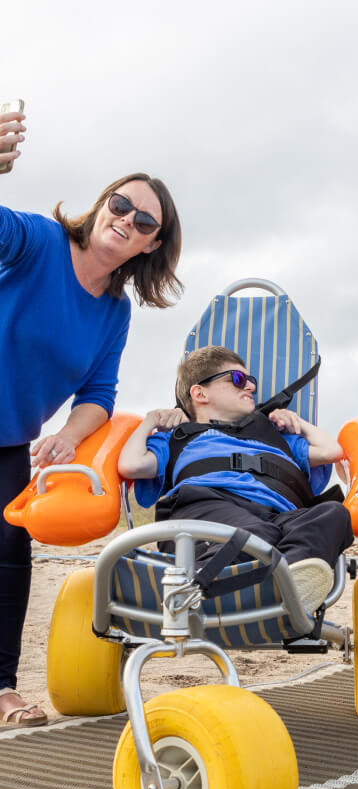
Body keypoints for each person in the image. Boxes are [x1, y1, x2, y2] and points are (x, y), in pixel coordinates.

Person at [0, 106, 183, 726]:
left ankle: (2, 689)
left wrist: (67, 439)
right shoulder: (38, 241)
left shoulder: (114, 311)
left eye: (144, 221)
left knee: (7, 554)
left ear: (152, 242)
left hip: (11, 439)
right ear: (102, 204)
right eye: (120, 205)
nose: (127, 220)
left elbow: (98, 395)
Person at [118, 346, 353, 612]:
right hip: (208, 505)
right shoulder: (177, 438)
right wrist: (150, 422)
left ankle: (289, 584)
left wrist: (297, 421)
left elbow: (331, 451)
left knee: (333, 514)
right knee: (254, 534)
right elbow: (132, 465)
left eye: (251, 381)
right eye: (238, 380)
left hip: (279, 517)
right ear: (200, 393)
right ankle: (198, 586)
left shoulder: (277, 437)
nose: (250, 388)